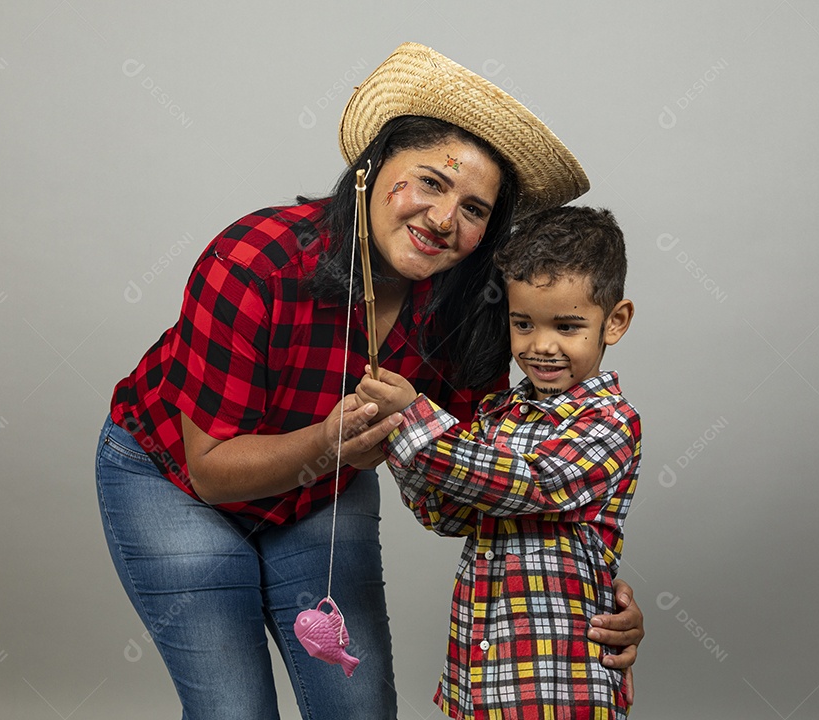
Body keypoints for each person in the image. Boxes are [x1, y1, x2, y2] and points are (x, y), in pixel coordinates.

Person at [95, 42, 643, 720]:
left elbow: (483, 479)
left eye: (474, 209)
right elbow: (210, 470)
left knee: (356, 710)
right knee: (234, 712)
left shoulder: (473, 312)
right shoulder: (255, 260)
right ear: (370, 172)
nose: (444, 219)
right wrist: (329, 445)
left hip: (323, 492)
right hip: (174, 479)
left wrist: (588, 590)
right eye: (431, 183)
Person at [356, 206, 638, 719]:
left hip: (560, 680)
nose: (542, 346)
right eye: (523, 323)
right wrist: (395, 436)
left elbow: (530, 485)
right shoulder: (497, 414)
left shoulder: (610, 422)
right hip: (483, 671)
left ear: (613, 322)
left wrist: (417, 418)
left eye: (568, 326)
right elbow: (449, 514)